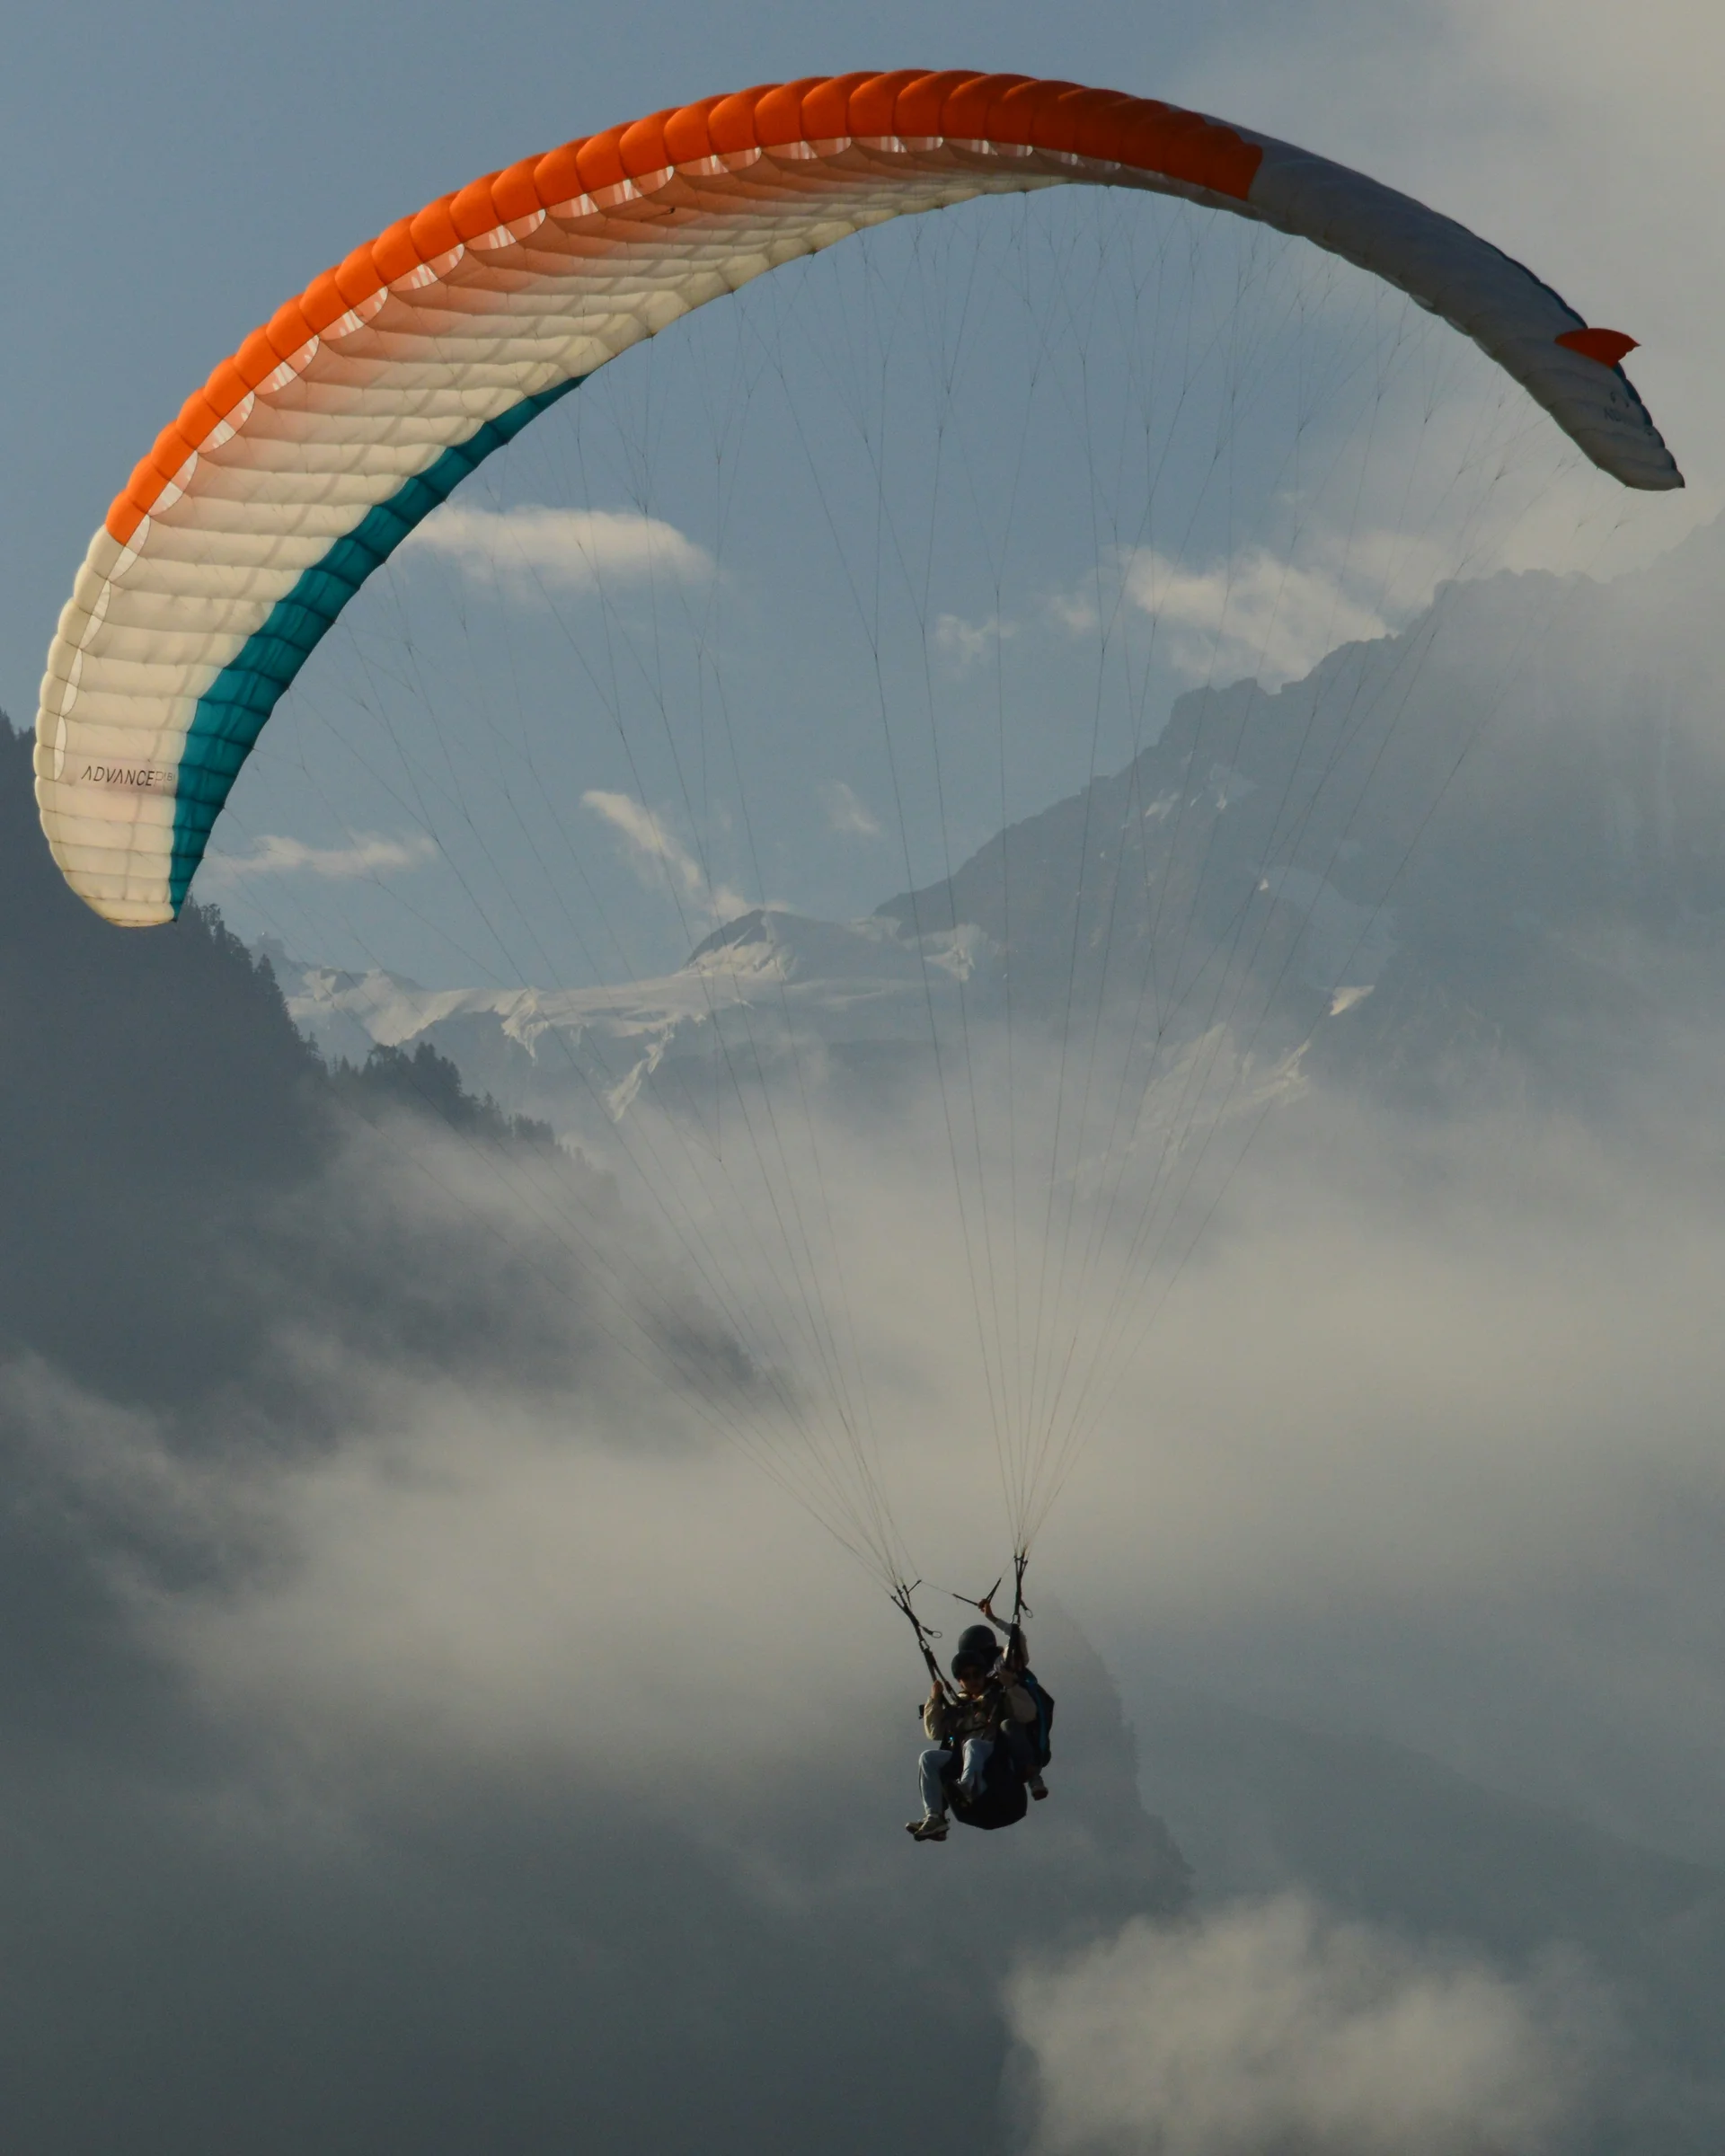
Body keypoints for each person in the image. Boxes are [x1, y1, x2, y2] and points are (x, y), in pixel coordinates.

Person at [907, 1617, 1048, 1842]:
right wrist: (934, 1699)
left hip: (995, 1758)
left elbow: (1027, 1715)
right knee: (928, 1758)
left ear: (984, 1674)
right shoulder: (958, 1707)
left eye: (976, 1674)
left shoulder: (998, 1694)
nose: (972, 1680)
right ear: (959, 1681)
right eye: (966, 1677)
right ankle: (934, 1817)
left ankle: (968, 1787)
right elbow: (934, 1732)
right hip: (966, 1762)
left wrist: (1011, 1686)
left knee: (972, 1745)